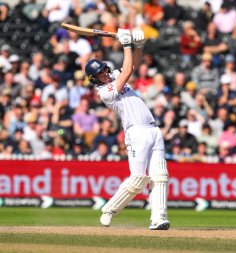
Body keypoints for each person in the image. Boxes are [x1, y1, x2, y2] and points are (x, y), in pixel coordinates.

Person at [84, 28, 170, 230]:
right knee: (139, 178)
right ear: (94, 79)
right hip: (136, 134)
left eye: (105, 70)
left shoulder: (114, 77)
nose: (105, 74)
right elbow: (128, 70)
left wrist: (138, 47)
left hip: (153, 130)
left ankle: (158, 218)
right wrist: (126, 45)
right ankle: (109, 210)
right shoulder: (105, 92)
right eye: (100, 74)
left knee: (160, 176)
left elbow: (133, 65)